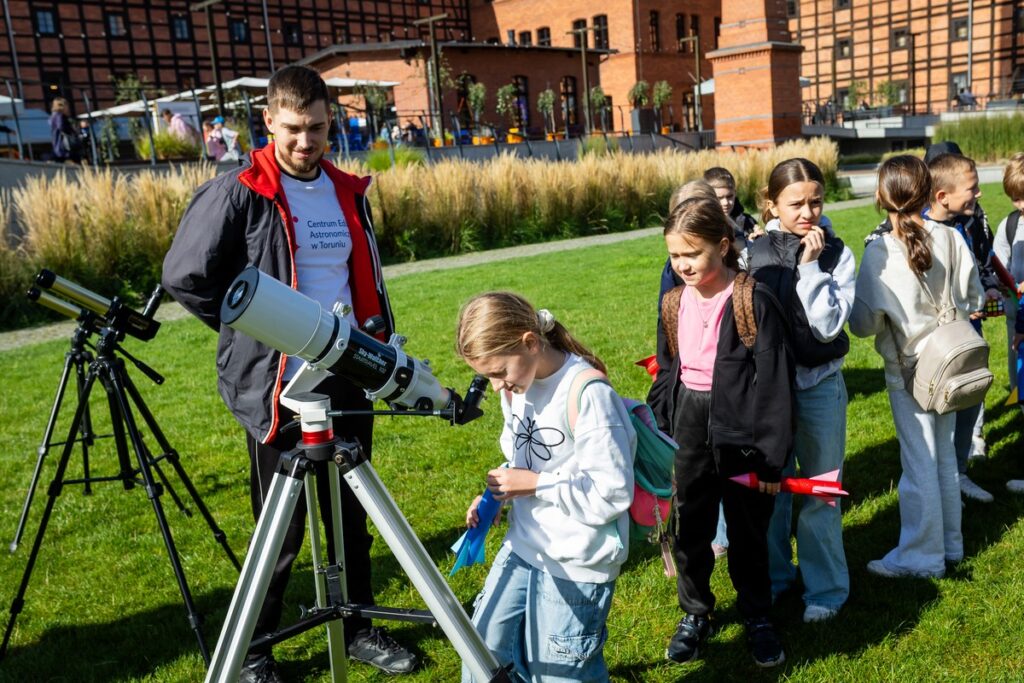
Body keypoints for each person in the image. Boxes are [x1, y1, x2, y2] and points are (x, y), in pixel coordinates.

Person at [161, 65, 417, 682]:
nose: (308, 142)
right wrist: (246, 330)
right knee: (282, 527)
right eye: (295, 129)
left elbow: (362, 278)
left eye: (320, 129)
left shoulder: (347, 189)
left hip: (348, 372)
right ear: (269, 121)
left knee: (354, 515)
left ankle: (358, 628)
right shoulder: (238, 191)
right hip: (280, 386)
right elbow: (184, 276)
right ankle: (254, 653)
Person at [455, 291, 636, 683]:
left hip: (576, 562)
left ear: (530, 343)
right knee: (480, 652)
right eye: (487, 376)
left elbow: (613, 493)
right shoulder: (518, 387)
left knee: (559, 673)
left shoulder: (589, 394)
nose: (497, 386)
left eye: (500, 372)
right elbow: (528, 457)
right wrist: (498, 493)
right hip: (523, 546)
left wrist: (535, 485)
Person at [656, 197, 793, 668]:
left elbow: (775, 383)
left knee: (747, 529)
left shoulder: (752, 299)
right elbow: (666, 370)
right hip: (689, 425)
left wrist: (772, 458)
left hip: (743, 429)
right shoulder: (673, 302)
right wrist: (660, 428)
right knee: (689, 524)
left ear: (723, 244)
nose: (683, 265)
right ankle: (696, 612)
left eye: (692, 254)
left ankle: (757, 615)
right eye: (675, 255)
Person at [850, 155, 985, 578]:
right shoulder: (950, 238)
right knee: (943, 455)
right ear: (928, 194)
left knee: (919, 462)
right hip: (954, 361)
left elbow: (862, 323)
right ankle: (950, 545)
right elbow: (977, 298)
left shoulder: (880, 253)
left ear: (879, 197)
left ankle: (922, 557)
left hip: (909, 372)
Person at [748, 158, 854, 623]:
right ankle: (775, 577)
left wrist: (810, 267)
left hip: (818, 386)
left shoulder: (837, 254)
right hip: (769, 392)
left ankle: (826, 590)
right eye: (796, 203)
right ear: (771, 203)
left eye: (816, 201)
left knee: (821, 490)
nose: (808, 212)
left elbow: (829, 326)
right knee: (770, 491)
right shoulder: (752, 254)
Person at [925, 150, 997, 503]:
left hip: (970, 335)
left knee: (969, 399)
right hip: (940, 345)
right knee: (941, 411)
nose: (978, 194)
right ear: (943, 196)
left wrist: (987, 290)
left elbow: (979, 268)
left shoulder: (967, 223)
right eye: (972, 187)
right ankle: (941, 480)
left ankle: (959, 472)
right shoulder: (922, 232)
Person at [991, 152, 1024, 399]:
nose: (1022, 205)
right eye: (1016, 199)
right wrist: (1003, 286)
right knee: (1019, 379)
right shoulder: (1009, 226)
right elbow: (999, 267)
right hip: (1016, 319)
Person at [703, 167, 760, 245]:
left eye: (729, 196)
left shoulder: (748, 221)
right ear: (707, 196)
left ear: (735, 193)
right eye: (719, 198)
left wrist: (758, 241)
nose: (725, 202)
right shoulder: (701, 225)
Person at [48, 97, 81, 163]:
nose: (68, 108)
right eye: (66, 105)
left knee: (61, 162)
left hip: (58, 143)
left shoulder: (53, 116)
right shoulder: (60, 116)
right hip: (64, 144)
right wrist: (72, 130)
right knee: (76, 160)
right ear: (62, 106)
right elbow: (61, 127)